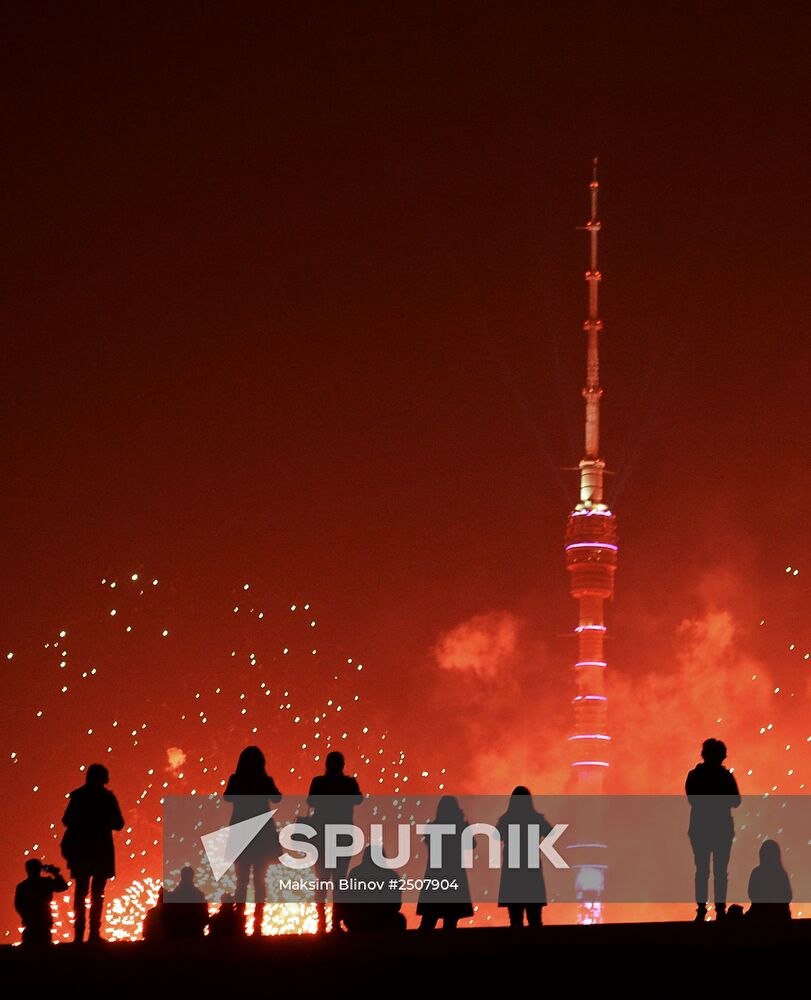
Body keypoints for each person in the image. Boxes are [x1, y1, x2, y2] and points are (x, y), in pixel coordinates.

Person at [61, 763, 125, 942]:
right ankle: (94, 934)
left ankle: (78, 934)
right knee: (98, 893)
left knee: (80, 892)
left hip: (81, 850)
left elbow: (66, 820)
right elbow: (119, 824)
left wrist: (83, 825)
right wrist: (102, 823)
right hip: (101, 850)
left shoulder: (78, 796)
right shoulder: (107, 798)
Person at [224, 746, 282, 935]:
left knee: (241, 881)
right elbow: (277, 797)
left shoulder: (236, 779)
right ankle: (258, 924)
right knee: (259, 880)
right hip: (262, 835)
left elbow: (228, 797)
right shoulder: (264, 780)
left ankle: (239, 922)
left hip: (241, 832)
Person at [307, 751, 363, 933]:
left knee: (322, 879)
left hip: (321, 835)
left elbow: (311, 801)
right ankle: (336, 922)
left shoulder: (318, 782)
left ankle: (321, 921)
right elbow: (358, 799)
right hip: (342, 835)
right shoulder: (348, 783)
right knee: (340, 880)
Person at [685, 738, 741, 922]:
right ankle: (720, 911)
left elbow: (692, 799)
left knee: (701, 871)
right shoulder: (725, 776)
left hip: (700, 828)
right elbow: (736, 801)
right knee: (720, 871)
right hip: (722, 828)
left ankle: (701, 910)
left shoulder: (694, 775)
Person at [496, 786, 553, 928]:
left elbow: (497, 836)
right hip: (531, 870)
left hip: (512, 872)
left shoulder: (506, 819)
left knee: (515, 920)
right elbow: (551, 832)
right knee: (535, 919)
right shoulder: (536, 818)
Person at [417, 795, 475, 931]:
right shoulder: (461, 827)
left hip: (435, 875)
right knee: (451, 920)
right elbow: (472, 844)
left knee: (428, 920)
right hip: (454, 874)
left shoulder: (431, 828)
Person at [341, 846, 407, 932]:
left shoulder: (355, 873)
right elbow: (396, 904)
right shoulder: (392, 875)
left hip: (359, 920)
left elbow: (347, 900)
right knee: (400, 920)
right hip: (384, 920)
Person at [14, 860, 68, 946]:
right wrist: (55, 873)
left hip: (30, 922)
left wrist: (26, 915)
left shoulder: (22, 886)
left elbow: (18, 905)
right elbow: (63, 886)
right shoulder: (46, 882)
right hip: (44, 920)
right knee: (44, 947)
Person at [747, 839, 792, 923]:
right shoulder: (781, 874)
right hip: (779, 914)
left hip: (760, 913)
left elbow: (752, 893)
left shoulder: (756, 872)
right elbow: (788, 896)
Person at [163, 866, 209, 938]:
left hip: (176, 936)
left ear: (181, 876)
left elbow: (166, 918)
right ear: (192, 876)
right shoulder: (198, 895)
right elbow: (204, 916)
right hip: (195, 935)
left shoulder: (173, 896)